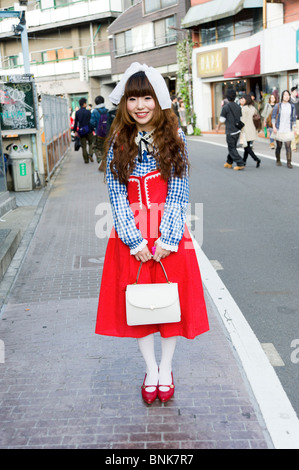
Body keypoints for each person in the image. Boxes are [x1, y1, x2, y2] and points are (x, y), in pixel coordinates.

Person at [95, 62, 209, 405]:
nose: (140, 105)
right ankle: (150, 369)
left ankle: (167, 368)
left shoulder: (175, 137)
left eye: (147, 97)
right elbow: (116, 194)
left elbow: (179, 190)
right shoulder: (118, 139)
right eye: (133, 99)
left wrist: (167, 239)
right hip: (130, 239)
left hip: (167, 236)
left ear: (158, 99)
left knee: (170, 304)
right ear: (125, 103)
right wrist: (134, 241)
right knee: (138, 306)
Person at [215, 89, 245, 170]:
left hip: (230, 131)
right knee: (233, 147)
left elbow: (222, 120)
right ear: (235, 97)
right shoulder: (238, 107)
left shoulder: (225, 107)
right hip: (237, 130)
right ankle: (229, 162)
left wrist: (218, 127)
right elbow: (241, 118)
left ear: (227, 97)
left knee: (231, 148)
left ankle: (240, 162)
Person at [271, 90, 296, 168]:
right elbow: (273, 117)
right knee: (279, 146)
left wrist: (295, 128)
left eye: (288, 95)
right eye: (285, 95)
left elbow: (293, 119)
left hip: (288, 129)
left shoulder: (292, 106)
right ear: (282, 96)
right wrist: (274, 127)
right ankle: (278, 160)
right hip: (279, 129)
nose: (287, 96)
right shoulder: (278, 105)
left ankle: (289, 162)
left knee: (288, 146)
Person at [239, 94, 261, 168]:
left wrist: (240, 129)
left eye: (243, 99)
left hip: (246, 129)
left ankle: (256, 159)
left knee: (246, 147)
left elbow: (243, 120)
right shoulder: (253, 108)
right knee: (247, 146)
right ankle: (244, 161)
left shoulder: (244, 108)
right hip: (253, 129)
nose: (242, 100)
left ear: (246, 100)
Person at [90, 95, 109, 171]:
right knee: (106, 148)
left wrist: (95, 128)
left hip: (99, 133)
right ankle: (106, 162)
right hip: (108, 134)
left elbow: (92, 123)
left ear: (96, 102)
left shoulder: (94, 111)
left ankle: (100, 160)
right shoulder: (108, 111)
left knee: (97, 148)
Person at [73, 98, 94, 164]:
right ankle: (90, 154)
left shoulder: (77, 112)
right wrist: (93, 129)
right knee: (91, 143)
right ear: (84, 104)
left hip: (81, 131)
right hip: (88, 129)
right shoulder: (88, 112)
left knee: (83, 146)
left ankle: (86, 160)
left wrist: (75, 131)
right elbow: (91, 121)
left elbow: (76, 122)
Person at [290, 86, 299, 152]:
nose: (296, 93)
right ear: (292, 92)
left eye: (297, 91)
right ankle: (293, 147)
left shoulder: (298, 99)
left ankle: (294, 143)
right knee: (294, 133)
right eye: (295, 91)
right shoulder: (289, 101)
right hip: (293, 120)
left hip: (298, 119)